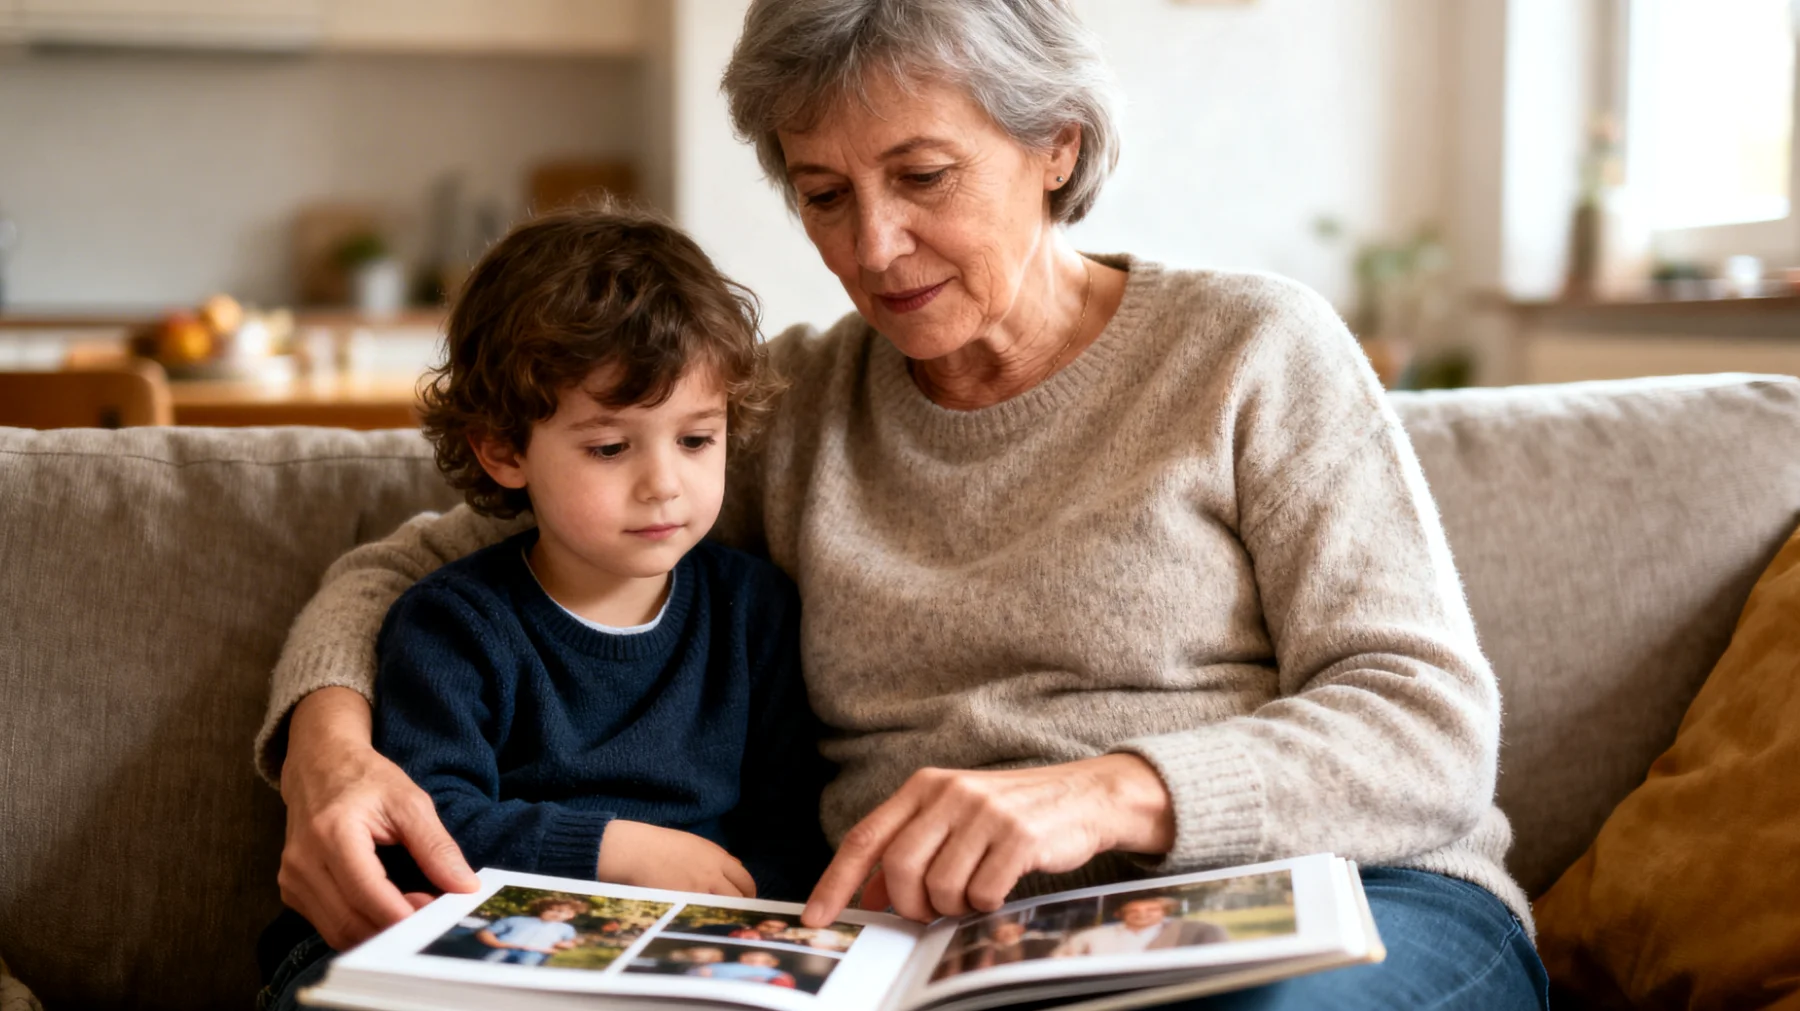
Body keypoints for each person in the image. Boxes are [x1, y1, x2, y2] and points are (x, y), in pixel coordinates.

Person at [258, 3, 1548, 1008]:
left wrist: (1105, 795)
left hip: (1333, 906)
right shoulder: (787, 411)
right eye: (824, 195)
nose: (872, 248)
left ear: (1056, 144)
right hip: (943, 956)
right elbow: (423, 563)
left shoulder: (1252, 352)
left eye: (923, 176)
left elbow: (1426, 725)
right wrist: (330, 747)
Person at [255, 208, 833, 1008]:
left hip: (679, 953)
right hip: (469, 939)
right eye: (610, 447)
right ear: (503, 449)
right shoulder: (453, 623)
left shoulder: (752, 609)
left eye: (697, 439)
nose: (665, 484)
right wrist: (613, 850)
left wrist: (746, 919)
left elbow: (790, 823)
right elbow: (428, 825)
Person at [1053, 897, 1227, 958]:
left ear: (1164, 911)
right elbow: (1061, 960)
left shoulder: (1192, 931)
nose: (1142, 915)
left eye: (1151, 910)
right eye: (1133, 911)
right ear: (1120, 914)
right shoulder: (1092, 937)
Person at [473, 897, 585, 967]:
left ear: (570, 915)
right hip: (505, 948)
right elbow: (486, 932)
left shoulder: (566, 929)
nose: (556, 914)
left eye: (561, 911)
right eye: (551, 909)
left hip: (535, 952)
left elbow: (569, 943)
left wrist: (563, 945)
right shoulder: (516, 920)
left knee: (526, 965)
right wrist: (497, 943)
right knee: (490, 962)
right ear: (541, 910)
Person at [690, 949, 797, 988]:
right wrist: (702, 972)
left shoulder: (775, 974)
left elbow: (785, 983)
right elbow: (697, 973)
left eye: (764, 961)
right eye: (751, 958)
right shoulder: (722, 967)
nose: (756, 963)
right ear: (743, 957)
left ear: (773, 963)